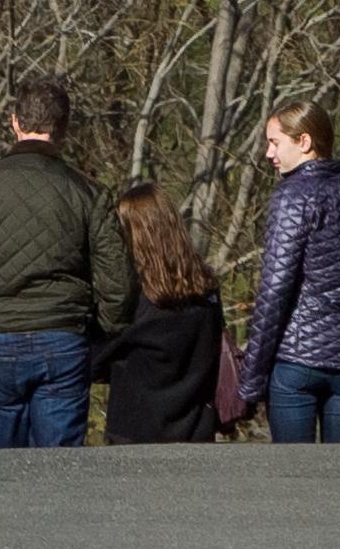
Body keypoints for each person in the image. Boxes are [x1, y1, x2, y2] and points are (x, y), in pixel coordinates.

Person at [0, 75, 134, 448]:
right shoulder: (88, 191)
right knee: (59, 470)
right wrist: (102, 331)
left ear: (14, 122)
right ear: (64, 128)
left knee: (2, 471)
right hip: (63, 337)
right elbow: (116, 279)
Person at [242, 101, 340, 443]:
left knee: (295, 483)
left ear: (304, 142)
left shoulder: (292, 196)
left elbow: (275, 289)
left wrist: (252, 378)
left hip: (297, 361)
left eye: (275, 142)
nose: (268, 153)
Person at [85, 183, 231, 443]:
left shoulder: (135, 299)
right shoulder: (206, 290)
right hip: (196, 430)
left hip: (134, 434)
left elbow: (95, 362)